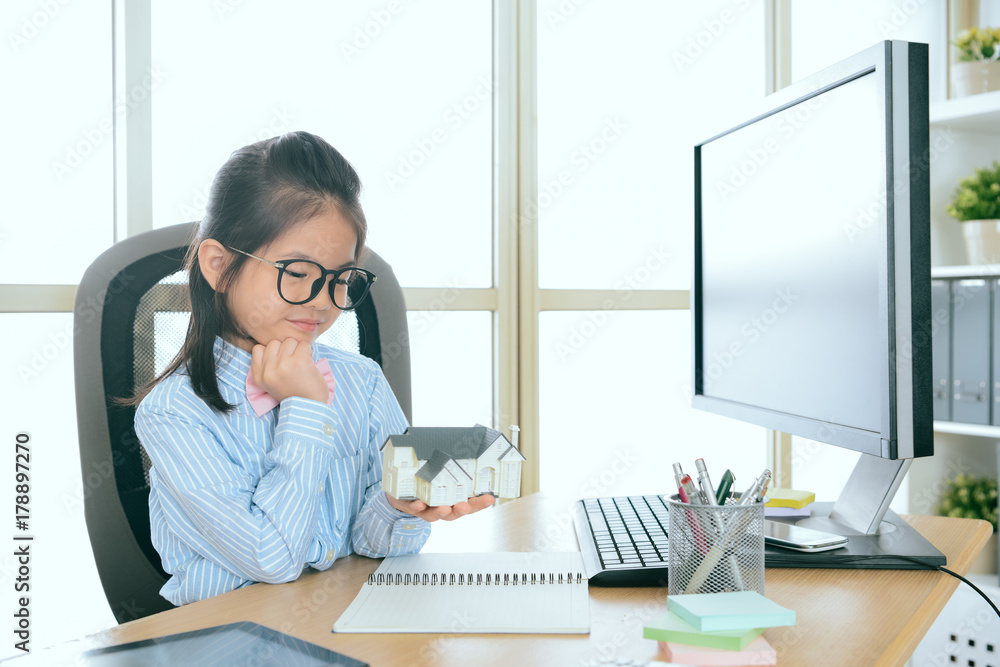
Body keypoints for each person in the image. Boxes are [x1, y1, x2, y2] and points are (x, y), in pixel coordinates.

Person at [134, 131, 493, 605]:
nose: (324, 302)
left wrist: (397, 505)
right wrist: (306, 407)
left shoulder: (360, 382)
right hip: (227, 639)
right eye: (298, 274)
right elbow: (272, 559)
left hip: (344, 620)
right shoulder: (174, 412)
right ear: (219, 266)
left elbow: (375, 546)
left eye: (340, 279)